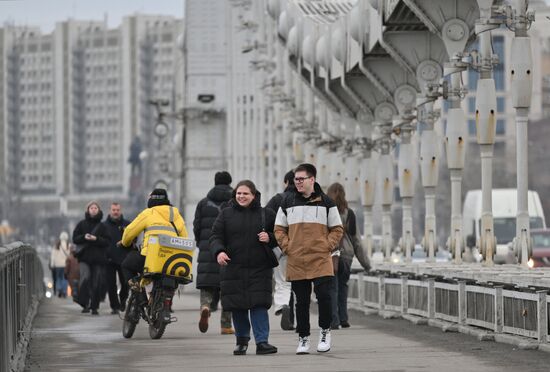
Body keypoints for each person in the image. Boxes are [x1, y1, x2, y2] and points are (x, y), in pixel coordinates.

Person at [274, 163, 343, 354]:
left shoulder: (327, 202)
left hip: (320, 258)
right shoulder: (287, 202)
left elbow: (337, 228)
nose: (297, 183)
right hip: (297, 259)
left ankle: (325, 331)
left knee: (324, 297)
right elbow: (279, 229)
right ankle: (303, 338)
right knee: (301, 301)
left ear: (312, 179)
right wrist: (288, 247)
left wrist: (325, 246)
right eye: (296, 179)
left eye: (301, 179)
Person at [210, 180, 278, 356]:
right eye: (238, 193)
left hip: (259, 268)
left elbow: (282, 235)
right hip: (233, 267)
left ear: (254, 195)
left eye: (245, 193)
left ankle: (262, 342)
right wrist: (219, 252)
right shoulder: (225, 215)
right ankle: (241, 342)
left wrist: (269, 237)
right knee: (238, 306)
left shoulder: (267, 214)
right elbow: (215, 237)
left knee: (259, 305)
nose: (241, 196)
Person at [121, 189, 188, 288]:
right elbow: (185, 240)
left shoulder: (148, 213)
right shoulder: (177, 216)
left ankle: (140, 297)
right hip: (171, 260)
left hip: (150, 258)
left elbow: (129, 232)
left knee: (126, 265)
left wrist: (125, 243)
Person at [193, 171, 234, 334]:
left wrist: (201, 243)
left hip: (207, 247)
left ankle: (205, 306)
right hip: (228, 249)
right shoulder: (234, 201)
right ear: (230, 182)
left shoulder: (203, 203)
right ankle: (226, 325)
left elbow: (196, 226)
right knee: (228, 288)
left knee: (207, 285)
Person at [326, 182, 371, 330]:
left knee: (332, 288)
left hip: (331, 255)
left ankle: (334, 320)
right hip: (346, 256)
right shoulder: (349, 213)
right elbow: (356, 240)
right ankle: (344, 318)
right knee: (343, 287)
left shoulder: (326, 212)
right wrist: (366, 264)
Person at [265, 170, 296, 331]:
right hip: (301, 247)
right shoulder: (305, 200)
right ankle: (294, 318)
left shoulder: (277, 200)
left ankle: (283, 306)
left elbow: (266, 221)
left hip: (281, 247)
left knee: (283, 281)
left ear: (286, 182)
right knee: (301, 284)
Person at [72, 201, 109, 315]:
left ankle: (94, 306)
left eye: (95, 208)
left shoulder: (103, 226)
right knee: (85, 278)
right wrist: (84, 237)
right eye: (91, 208)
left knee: (96, 282)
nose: (93, 210)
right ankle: (84, 303)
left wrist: (96, 239)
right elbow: (75, 238)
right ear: (87, 210)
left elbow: (107, 241)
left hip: (98, 259)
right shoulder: (81, 224)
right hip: (84, 257)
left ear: (99, 210)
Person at [103, 202, 131, 314]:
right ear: (110, 211)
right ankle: (114, 306)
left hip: (124, 258)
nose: (115, 212)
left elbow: (133, 237)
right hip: (109, 259)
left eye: (117, 210)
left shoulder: (127, 224)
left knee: (125, 283)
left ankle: (123, 300)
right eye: (113, 210)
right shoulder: (104, 226)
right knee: (111, 284)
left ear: (121, 211)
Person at [50, 232, 71, 298]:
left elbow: (53, 256)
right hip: (65, 265)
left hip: (57, 265)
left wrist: (52, 264)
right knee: (65, 278)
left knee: (58, 278)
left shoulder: (56, 245)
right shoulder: (68, 245)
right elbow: (70, 256)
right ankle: (64, 291)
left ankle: (59, 289)